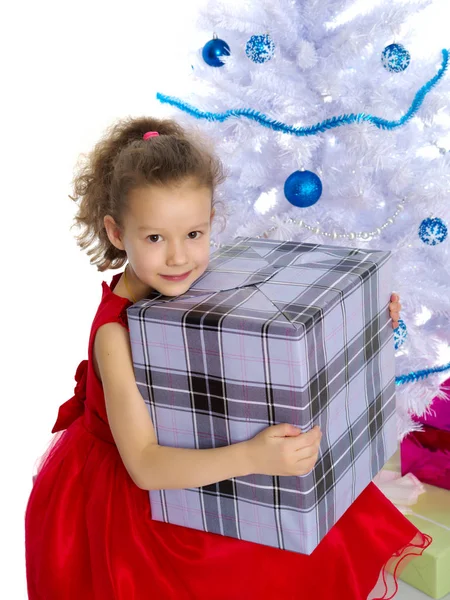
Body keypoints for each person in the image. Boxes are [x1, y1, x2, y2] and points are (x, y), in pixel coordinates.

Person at [24, 116, 429, 600]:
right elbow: (147, 467)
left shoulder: (211, 285)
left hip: (206, 462)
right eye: (155, 239)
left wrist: (369, 323)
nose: (178, 257)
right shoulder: (115, 335)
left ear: (211, 220)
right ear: (116, 232)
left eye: (193, 234)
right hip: (136, 499)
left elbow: (286, 356)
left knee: (298, 541)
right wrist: (253, 456)